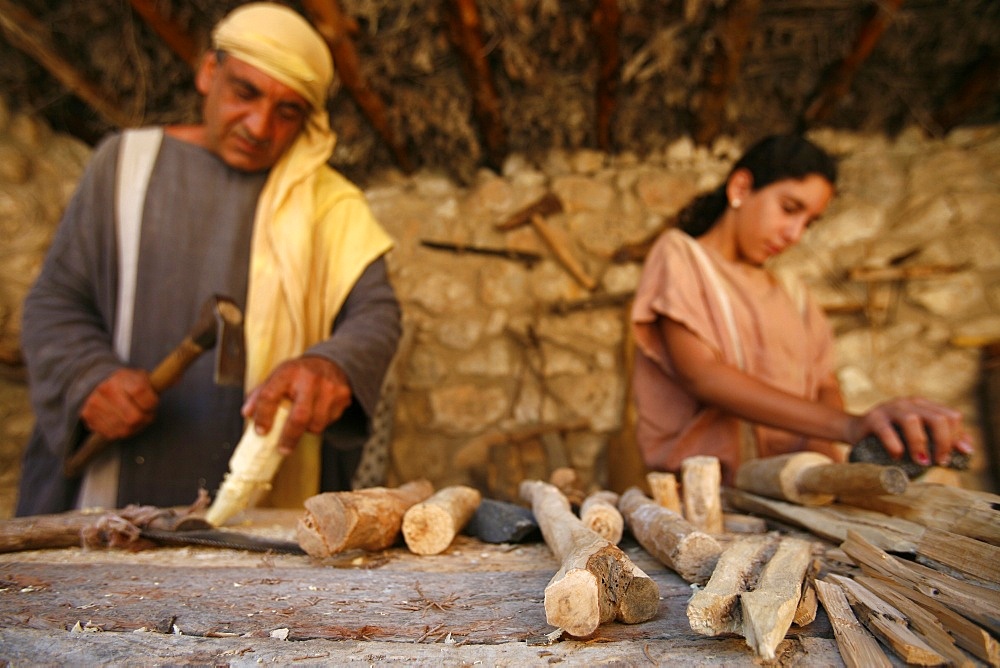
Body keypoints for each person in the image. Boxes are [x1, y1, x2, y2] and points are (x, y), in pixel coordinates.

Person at [16, 2, 401, 515]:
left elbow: (375, 314)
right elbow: (56, 301)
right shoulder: (124, 165)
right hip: (106, 491)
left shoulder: (327, 204)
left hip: (265, 509)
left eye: (288, 111)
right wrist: (87, 377)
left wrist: (330, 365)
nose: (260, 125)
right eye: (246, 93)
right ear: (208, 72)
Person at [630, 134, 972, 485]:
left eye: (809, 222)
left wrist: (836, 467)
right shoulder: (682, 256)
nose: (795, 233)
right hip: (711, 498)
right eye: (790, 208)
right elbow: (702, 375)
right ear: (742, 187)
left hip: (795, 493)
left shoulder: (793, 292)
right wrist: (850, 425)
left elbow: (824, 383)